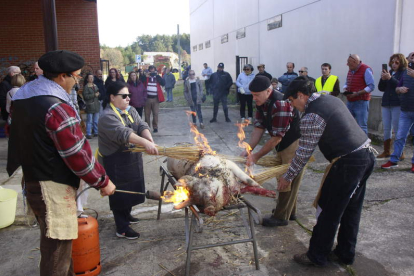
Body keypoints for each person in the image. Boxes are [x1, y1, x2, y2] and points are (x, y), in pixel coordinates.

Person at [7, 50, 116, 276]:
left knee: (55, 245)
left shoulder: (23, 97)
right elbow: (76, 153)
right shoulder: (55, 106)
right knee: (56, 250)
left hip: (33, 178)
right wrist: (102, 181)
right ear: (61, 76)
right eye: (75, 77)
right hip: (51, 186)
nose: (76, 82)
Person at [278, 76, 375, 267]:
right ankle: (345, 254)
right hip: (366, 156)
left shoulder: (312, 116)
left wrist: (287, 177)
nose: (291, 105)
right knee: (350, 209)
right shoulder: (330, 99)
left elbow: (304, 152)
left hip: (349, 164)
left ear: (300, 96)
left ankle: (316, 255)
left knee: (329, 209)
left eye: (291, 100)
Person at [98, 81, 158, 239]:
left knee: (132, 189)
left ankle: (127, 216)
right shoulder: (107, 117)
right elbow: (123, 133)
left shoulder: (130, 111)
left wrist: (149, 140)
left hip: (131, 158)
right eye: (124, 96)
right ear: (112, 97)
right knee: (120, 193)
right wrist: (145, 144)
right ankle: (122, 228)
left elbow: (141, 125)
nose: (128, 99)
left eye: (129, 95)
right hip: (116, 161)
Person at [243, 75, 303, 227]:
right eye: (252, 95)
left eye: (257, 95)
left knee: (286, 179)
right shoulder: (261, 102)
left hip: (293, 142)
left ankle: (281, 217)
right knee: (288, 177)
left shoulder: (281, 103)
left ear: (269, 91)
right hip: (282, 142)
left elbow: (276, 138)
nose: (254, 98)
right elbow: (258, 128)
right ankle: (291, 212)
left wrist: (256, 157)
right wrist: (248, 150)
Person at [381, 51, 414, 173]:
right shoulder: (405, 73)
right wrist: (399, 89)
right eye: (411, 55)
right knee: (400, 136)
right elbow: (397, 88)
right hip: (405, 110)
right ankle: (394, 160)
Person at [377, 53, 406, 159]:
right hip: (386, 102)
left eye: (396, 62)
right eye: (392, 62)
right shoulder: (389, 72)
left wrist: (390, 79)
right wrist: (383, 78)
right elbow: (381, 88)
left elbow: (401, 85)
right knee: (387, 128)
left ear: (401, 63)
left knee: (397, 128)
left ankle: (400, 151)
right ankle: (386, 151)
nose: (394, 64)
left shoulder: (404, 73)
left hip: (397, 103)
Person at [343, 54, 375, 135]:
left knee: (362, 126)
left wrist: (357, 93)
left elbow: (371, 86)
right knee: (347, 124)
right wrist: (345, 88)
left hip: (361, 102)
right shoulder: (350, 69)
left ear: (355, 62)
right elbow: (347, 82)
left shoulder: (366, 69)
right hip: (350, 101)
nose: (347, 64)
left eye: (349, 63)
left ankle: (364, 146)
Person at [143, 65, 165, 133]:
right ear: (149, 71)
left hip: (156, 99)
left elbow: (163, 83)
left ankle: (155, 127)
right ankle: (147, 128)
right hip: (147, 98)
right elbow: (141, 82)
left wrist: (157, 76)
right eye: (151, 70)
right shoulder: (146, 77)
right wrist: (145, 76)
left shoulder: (157, 77)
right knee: (147, 114)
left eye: (153, 70)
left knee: (155, 114)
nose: (152, 72)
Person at [83, 73, 100, 139]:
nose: (91, 79)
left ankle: (96, 132)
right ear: (87, 79)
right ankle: (88, 133)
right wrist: (94, 95)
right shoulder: (86, 87)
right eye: (90, 77)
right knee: (89, 120)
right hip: (90, 105)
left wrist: (99, 94)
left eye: (92, 77)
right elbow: (85, 96)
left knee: (96, 120)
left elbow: (98, 93)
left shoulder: (95, 85)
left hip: (96, 105)